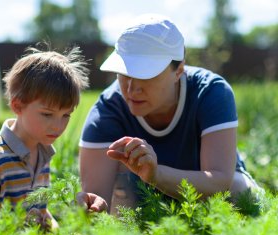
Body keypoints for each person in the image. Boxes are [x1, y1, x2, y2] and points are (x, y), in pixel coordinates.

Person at [79, 13, 261, 214]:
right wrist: (92, 207)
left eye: (145, 74)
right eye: (124, 72)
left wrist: (156, 175)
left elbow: (219, 181)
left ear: (179, 70)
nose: (132, 88)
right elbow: (96, 197)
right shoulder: (108, 109)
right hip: (143, 200)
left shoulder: (210, 92)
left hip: (206, 195)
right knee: (119, 194)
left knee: (240, 194)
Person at [0, 46, 107, 229]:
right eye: (47, 114)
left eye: (66, 115)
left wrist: (59, 231)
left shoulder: (43, 153)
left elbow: (40, 211)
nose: (58, 126)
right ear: (18, 106)